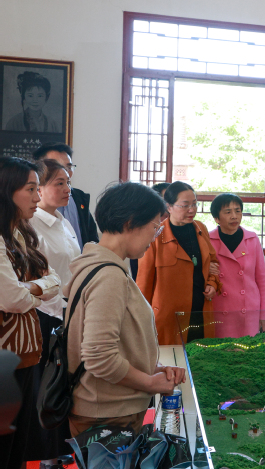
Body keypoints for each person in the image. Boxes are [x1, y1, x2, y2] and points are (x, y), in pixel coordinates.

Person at [65, 182, 185, 438]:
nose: (156, 235)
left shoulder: (101, 265)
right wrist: (149, 382)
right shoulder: (109, 276)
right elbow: (99, 357)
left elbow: (117, 343)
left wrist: (152, 369)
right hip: (108, 411)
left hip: (109, 405)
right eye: (155, 226)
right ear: (131, 223)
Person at [0, 157, 60, 468]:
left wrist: (29, 289)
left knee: (18, 445)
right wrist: (35, 292)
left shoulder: (20, 233)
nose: (38, 196)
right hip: (5, 357)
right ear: (6, 190)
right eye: (31, 189)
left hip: (24, 352)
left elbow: (55, 281)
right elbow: (13, 299)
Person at [28, 159, 81, 459]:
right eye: (59, 183)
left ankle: (62, 451)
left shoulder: (63, 221)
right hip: (44, 316)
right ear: (39, 188)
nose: (67, 189)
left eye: (68, 182)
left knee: (64, 386)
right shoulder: (30, 226)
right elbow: (38, 279)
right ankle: (46, 454)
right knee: (47, 387)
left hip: (68, 314)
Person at [136, 182, 221, 345]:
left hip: (200, 311)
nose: (192, 210)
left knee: (199, 356)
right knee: (172, 358)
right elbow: (144, 283)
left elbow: (213, 263)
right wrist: (141, 320)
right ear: (168, 207)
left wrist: (212, 284)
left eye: (194, 204)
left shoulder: (201, 229)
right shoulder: (155, 235)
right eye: (185, 205)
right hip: (169, 317)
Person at [208, 193, 265, 338]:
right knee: (223, 349)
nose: (234, 216)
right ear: (216, 218)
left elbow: (261, 279)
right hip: (220, 310)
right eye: (228, 212)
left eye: (238, 211)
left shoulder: (252, 239)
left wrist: (264, 313)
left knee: (248, 349)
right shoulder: (207, 239)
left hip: (249, 311)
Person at [32, 142, 99, 250]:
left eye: (68, 167)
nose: (64, 171)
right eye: (56, 166)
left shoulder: (79, 198)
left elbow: (90, 237)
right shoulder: (29, 220)